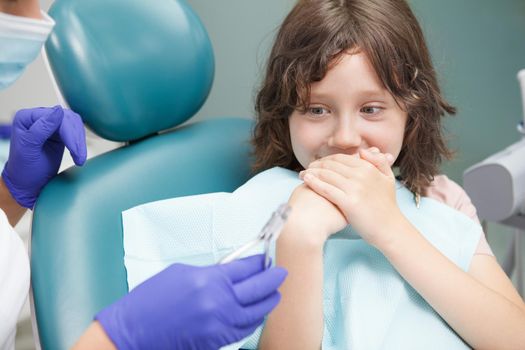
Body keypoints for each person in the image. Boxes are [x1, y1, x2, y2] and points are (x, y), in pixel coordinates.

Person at [0, 1, 287, 349]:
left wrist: (9, 195)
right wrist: (119, 337)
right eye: (13, 3)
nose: (36, 19)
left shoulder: (252, 160)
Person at [246, 0, 525, 349]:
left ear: (412, 112)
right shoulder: (261, 206)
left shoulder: (440, 199)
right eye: (317, 109)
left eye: (371, 109)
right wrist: (299, 238)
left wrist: (390, 228)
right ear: (284, 114)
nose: (345, 137)